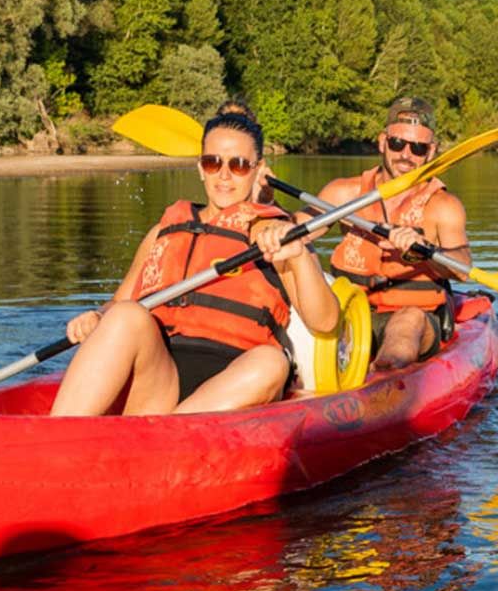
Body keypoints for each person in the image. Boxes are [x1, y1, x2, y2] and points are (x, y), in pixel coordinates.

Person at [50, 109, 340, 416]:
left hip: (235, 380)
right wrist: (97, 316)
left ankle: (170, 433)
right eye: (213, 162)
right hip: (159, 381)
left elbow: (325, 322)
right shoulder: (166, 228)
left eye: (239, 165)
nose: (224, 175)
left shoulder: (274, 234)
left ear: (258, 170)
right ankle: (57, 437)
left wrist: (298, 255)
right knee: (125, 314)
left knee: (271, 362)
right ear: (200, 168)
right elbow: (118, 302)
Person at [313, 97, 471, 373]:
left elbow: (463, 268)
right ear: (383, 141)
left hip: (416, 319)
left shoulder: (443, 206)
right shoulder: (343, 193)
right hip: (349, 312)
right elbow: (296, 230)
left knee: (407, 321)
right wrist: (265, 204)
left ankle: (380, 384)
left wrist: (425, 250)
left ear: (431, 151)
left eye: (418, 148)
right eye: (398, 143)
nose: (406, 155)